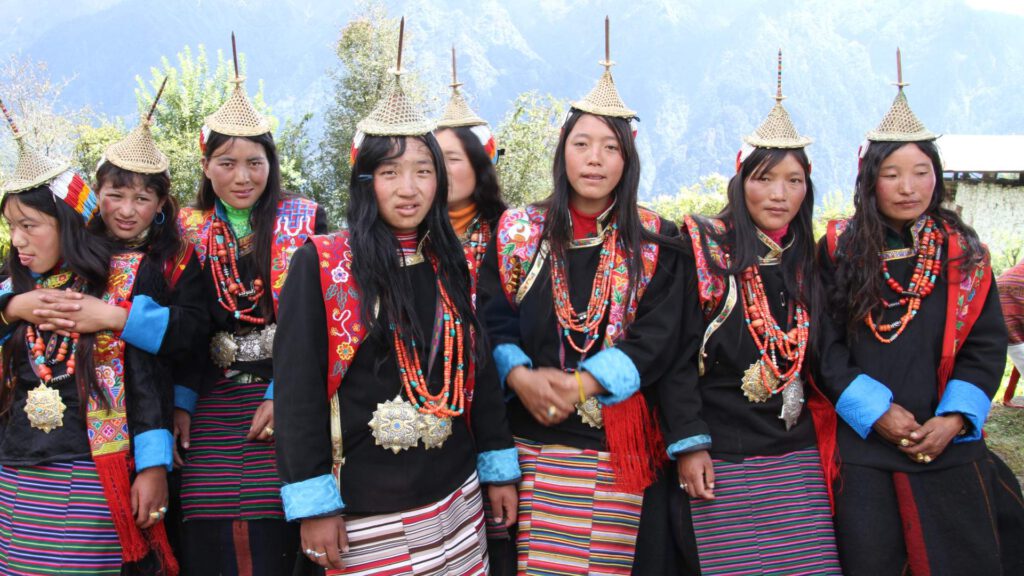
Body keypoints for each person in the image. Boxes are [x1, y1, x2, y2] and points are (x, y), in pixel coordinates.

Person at [274, 27, 520, 574]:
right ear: (367, 182)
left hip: (457, 497)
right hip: (367, 505)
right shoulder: (322, 263)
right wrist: (314, 503)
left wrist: (498, 467)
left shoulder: (449, 257)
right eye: (390, 173)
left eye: (424, 171)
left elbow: (473, 370)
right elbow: (298, 392)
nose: (409, 188)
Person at [477, 20, 685, 574]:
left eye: (610, 147)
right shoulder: (519, 231)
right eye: (582, 143)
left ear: (628, 160)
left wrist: (581, 384)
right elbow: (492, 319)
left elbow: (659, 340)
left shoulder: (658, 242)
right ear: (562, 152)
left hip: (615, 446)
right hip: (531, 439)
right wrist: (521, 377)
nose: (594, 158)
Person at [817, 51, 1024, 575]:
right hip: (865, 444)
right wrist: (875, 412)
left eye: (920, 172)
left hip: (945, 440)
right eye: (892, 173)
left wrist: (954, 418)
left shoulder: (963, 251)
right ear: (870, 180)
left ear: (937, 176)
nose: (908, 187)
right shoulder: (839, 247)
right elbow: (824, 345)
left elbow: (984, 344)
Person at [664, 51, 842, 575]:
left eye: (793, 180)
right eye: (765, 179)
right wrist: (689, 443)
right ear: (741, 182)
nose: (779, 194)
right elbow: (675, 356)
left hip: (796, 452)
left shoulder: (808, 261)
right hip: (722, 453)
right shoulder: (702, 248)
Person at [0, 106, 177, 574]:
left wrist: (154, 465)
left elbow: (147, 381)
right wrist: (12, 306)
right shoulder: (14, 287)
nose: (17, 239)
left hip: (93, 471)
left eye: (29, 225)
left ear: (67, 221)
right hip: (15, 470)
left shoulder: (127, 278)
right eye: (12, 226)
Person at [172, 49, 327, 575]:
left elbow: (326, 318)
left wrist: (284, 392)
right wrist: (181, 404)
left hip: (289, 386)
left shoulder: (305, 218)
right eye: (227, 163)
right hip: (212, 393)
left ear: (272, 164)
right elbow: (186, 329)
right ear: (205, 166)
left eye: (255, 163)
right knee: (203, 506)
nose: (243, 176)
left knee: (273, 509)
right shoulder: (187, 231)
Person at [433, 46, 515, 574]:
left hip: (503, 402)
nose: (436, 171)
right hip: (429, 405)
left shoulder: (514, 235)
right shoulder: (407, 240)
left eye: (451, 160)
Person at [997, 258, 1024, 406]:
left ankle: (1008, 397)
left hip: (1003, 289)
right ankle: (1008, 397)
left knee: (1016, 344)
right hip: (1012, 290)